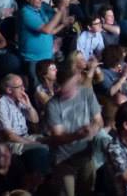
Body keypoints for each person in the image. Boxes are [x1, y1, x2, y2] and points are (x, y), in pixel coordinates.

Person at [44, 64, 104, 196]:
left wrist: (93, 129)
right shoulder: (53, 105)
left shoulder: (87, 93)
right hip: (64, 159)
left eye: (69, 86)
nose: (66, 90)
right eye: (63, 86)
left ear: (76, 80)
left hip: (86, 155)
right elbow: (57, 137)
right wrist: (78, 135)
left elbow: (98, 120)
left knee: (87, 191)